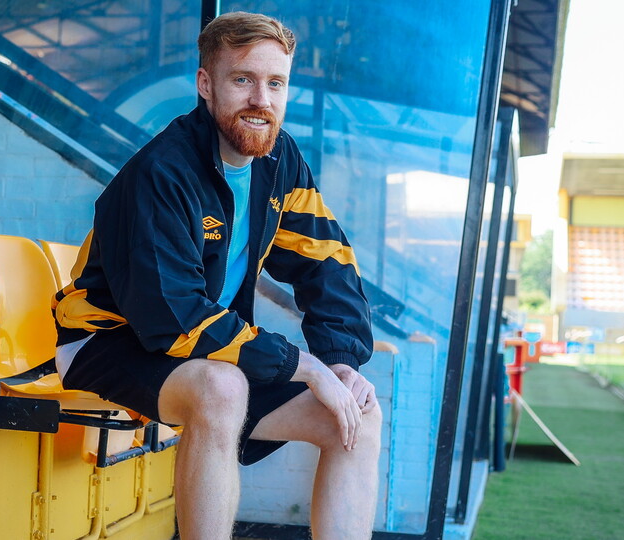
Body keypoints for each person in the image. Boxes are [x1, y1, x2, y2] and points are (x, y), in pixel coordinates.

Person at [51, 11, 380, 540]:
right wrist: (305, 367)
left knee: (357, 416)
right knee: (222, 387)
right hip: (107, 340)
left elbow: (327, 261)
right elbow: (171, 317)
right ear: (207, 85)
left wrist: (339, 363)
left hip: (203, 346)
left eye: (276, 83)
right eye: (243, 80)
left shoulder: (281, 160)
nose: (262, 100)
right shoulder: (162, 173)